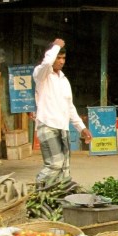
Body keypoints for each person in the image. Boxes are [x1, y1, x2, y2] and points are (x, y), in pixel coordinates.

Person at [33, 38, 92, 185]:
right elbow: (47, 63)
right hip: (47, 125)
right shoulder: (41, 75)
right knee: (55, 164)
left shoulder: (64, 80)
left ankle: (57, 199)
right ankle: (37, 190)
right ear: (51, 56)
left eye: (63, 58)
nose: (61, 61)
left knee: (64, 169)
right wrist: (56, 46)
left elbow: (70, 107)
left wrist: (81, 128)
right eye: (58, 58)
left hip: (63, 127)